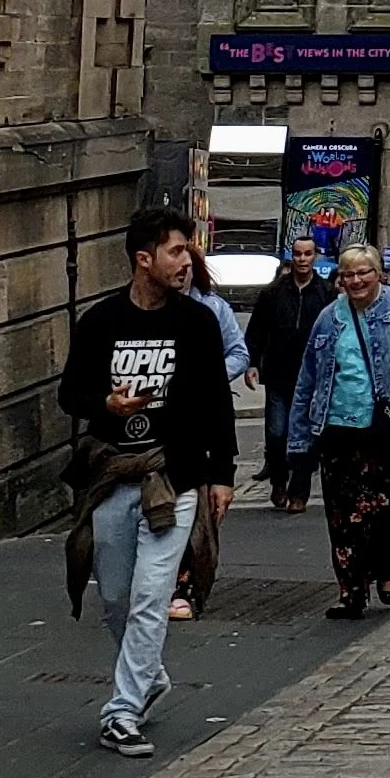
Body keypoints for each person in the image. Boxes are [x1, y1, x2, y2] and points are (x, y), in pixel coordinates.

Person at [59, 207, 238, 756]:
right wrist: (105, 403)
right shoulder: (101, 322)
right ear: (145, 259)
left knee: (150, 597)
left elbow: (216, 403)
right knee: (113, 595)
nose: (187, 261)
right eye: (176, 251)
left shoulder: (197, 323)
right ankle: (148, 677)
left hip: (174, 475)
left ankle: (121, 711)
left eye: (188, 250)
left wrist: (222, 474)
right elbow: (71, 393)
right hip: (113, 474)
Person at [287, 239, 390, 617]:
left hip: (387, 423)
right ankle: (351, 591)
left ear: (379, 274)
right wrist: (298, 436)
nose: (356, 281)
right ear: (340, 278)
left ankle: (386, 566)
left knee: (385, 505)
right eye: (349, 274)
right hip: (338, 424)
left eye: (364, 273)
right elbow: (308, 377)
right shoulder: (329, 318)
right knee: (342, 514)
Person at [168, 238, 258, 619]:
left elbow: (239, 352)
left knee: (195, 512)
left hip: (201, 423)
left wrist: (209, 379)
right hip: (158, 428)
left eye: (187, 265)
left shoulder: (211, 310)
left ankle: (186, 585)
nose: (182, 272)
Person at [244, 234, 336, 510]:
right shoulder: (273, 292)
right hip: (278, 373)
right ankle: (278, 480)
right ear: (291, 256)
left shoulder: (326, 293)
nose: (303, 260)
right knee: (276, 433)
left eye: (308, 254)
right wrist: (252, 363)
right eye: (298, 254)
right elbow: (257, 330)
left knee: (306, 436)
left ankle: (299, 492)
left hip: (312, 376)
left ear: (315, 256)